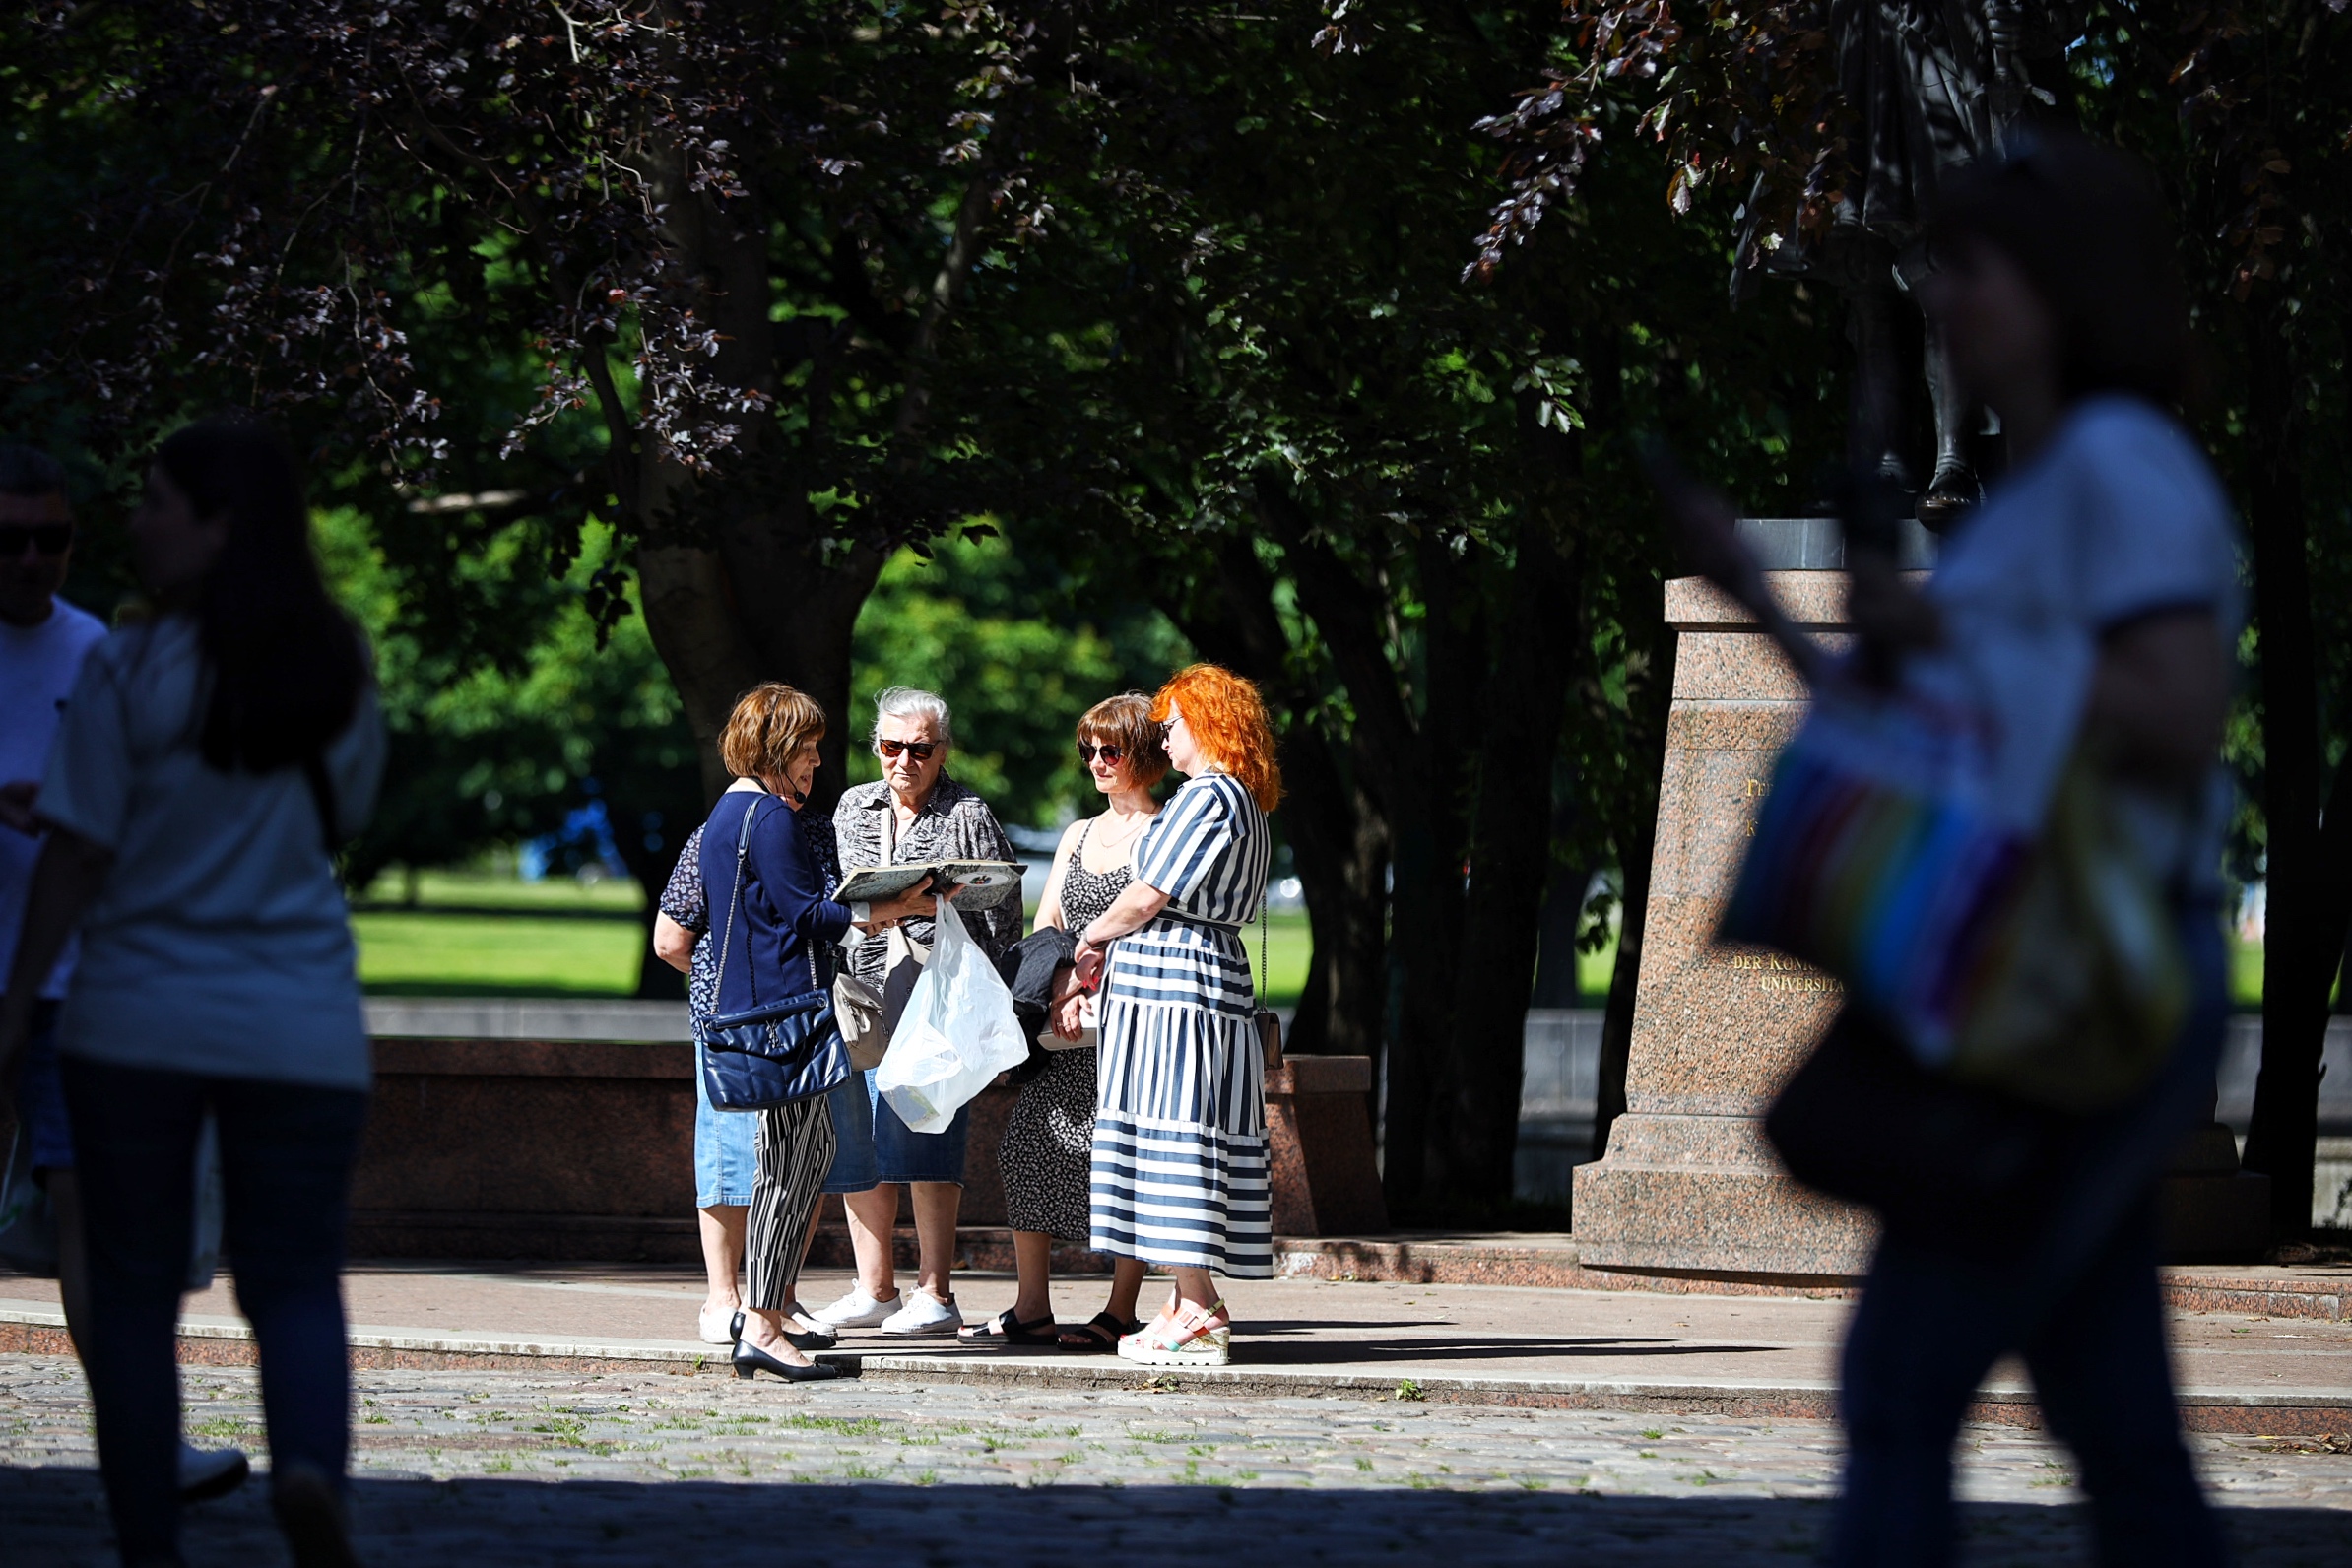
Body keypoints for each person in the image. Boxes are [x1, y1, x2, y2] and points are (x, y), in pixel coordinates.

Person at [1662, 131, 2237, 1566]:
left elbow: (2173, 707)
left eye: (1968, 270)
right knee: (2111, 1420)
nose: (1943, 301)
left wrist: (1953, 630)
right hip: (2036, 969)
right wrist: (1768, 601)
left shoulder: (2123, 466)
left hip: (2080, 978)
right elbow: (1937, 730)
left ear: (2055, 289)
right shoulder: (2037, 493)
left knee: (1904, 1380)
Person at [0, 419, 386, 1567]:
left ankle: (148, 1539)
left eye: (159, 500)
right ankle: (310, 1467)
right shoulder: (336, 658)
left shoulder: (126, 665)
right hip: (300, 1021)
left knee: (129, 1290)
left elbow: (75, 851)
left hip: (138, 1018)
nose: (137, 519)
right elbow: (349, 814)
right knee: (296, 1278)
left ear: (219, 526)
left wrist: (17, 1003)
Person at [0, 444, 253, 1507]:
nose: (29, 558)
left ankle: (140, 1439)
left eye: (50, 537)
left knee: (85, 1218)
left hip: (66, 981)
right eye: (6, 539)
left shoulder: (99, 655)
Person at [695, 683, 940, 1381]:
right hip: (783, 1019)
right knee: (793, 1166)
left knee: (788, 1163)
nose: (815, 762)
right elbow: (806, 914)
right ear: (776, 749)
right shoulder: (767, 816)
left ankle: (762, 1319)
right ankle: (766, 1325)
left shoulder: (725, 814)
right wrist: (888, 909)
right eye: (806, 748)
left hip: (757, 1017)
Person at [1073, 665, 1281, 1367]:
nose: (1165, 735)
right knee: (1176, 1134)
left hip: (1177, 992)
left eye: (1174, 722)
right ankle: (1181, 1302)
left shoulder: (1210, 796)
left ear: (1208, 723)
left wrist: (1093, 935)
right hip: (1196, 983)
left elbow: (1149, 893)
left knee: (1172, 1136)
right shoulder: (1239, 799)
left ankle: (1197, 1305)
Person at [813, 687, 1022, 1338]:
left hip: (936, 998)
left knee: (929, 1133)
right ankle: (874, 1287)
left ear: (942, 750)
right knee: (861, 1135)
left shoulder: (967, 813)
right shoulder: (851, 807)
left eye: (920, 748)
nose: (904, 760)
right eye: (890, 746)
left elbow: (1003, 914)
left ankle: (936, 1292)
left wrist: (939, 912)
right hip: (864, 990)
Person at [958, 695, 1161, 1351]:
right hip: (1066, 1029)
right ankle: (1032, 1305)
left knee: (1127, 1159)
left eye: (1113, 750)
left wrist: (1085, 980)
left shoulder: (1163, 834)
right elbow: (1050, 927)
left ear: (1147, 754)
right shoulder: (1077, 836)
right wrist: (1060, 988)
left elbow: (1151, 930)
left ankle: (1121, 1308)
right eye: (1091, 751)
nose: (1099, 763)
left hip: (1133, 1029)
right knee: (1026, 1145)